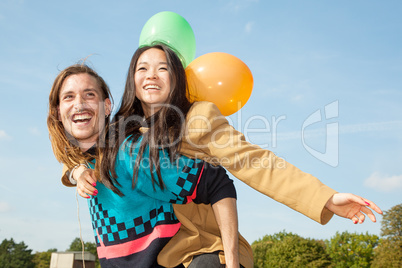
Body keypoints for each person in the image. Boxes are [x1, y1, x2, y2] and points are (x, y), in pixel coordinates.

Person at [94, 42, 380, 268]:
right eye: (142, 68)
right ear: (132, 78)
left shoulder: (197, 118)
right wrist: (72, 173)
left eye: (163, 68)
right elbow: (81, 151)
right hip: (150, 254)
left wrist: (326, 198)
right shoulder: (122, 132)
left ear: (177, 77)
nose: (152, 75)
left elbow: (254, 161)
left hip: (202, 249)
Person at [47, 64, 241, 267]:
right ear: (58, 112)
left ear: (106, 106)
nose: (79, 104)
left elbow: (217, 182)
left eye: (89, 94)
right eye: (69, 97)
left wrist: (231, 261)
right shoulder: (81, 158)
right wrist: (76, 172)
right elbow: (69, 159)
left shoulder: (132, 151)